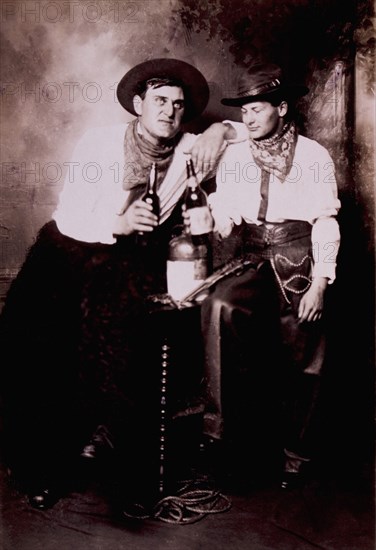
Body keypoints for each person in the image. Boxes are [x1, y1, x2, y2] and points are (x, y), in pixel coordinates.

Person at [0, 58, 233, 512]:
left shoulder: (190, 148)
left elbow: (248, 131)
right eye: (160, 101)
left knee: (116, 339)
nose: (168, 111)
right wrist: (119, 221)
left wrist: (219, 132)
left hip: (129, 260)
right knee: (40, 333)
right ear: (139, 104)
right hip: (70, 246)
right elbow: (70, 212)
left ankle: (115, 453)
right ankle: (38, 464)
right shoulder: (100, 143)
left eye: (178, 105)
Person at [200, 63, 341, 489]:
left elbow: (325, 222)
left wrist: (320, 282)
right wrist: (209, 217)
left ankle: (296, 456)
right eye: (244, 111)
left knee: (307, 348)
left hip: (300, 256)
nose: (249, 118)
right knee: (218, 307)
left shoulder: (313, 154)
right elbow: (227, 213)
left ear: (281, 108)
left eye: (257, 109)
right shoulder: (236, 155)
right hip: (252, 254)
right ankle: (221, 441)